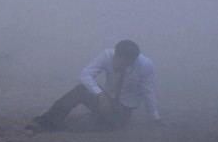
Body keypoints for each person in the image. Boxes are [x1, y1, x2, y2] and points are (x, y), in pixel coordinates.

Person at [28, 40, 160, 131]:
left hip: (122, 110)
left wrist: (155, 117)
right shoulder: (106, 55)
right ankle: (46, 121)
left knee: (83, 126)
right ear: (116, 55)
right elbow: (85, 74)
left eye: (129, 64)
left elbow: (149, 91)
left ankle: (61, 126)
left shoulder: (145, 65)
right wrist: (100, 94)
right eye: (122, 62)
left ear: (134, 60)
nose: (124, 66)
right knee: (81, 89)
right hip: (106, 99)